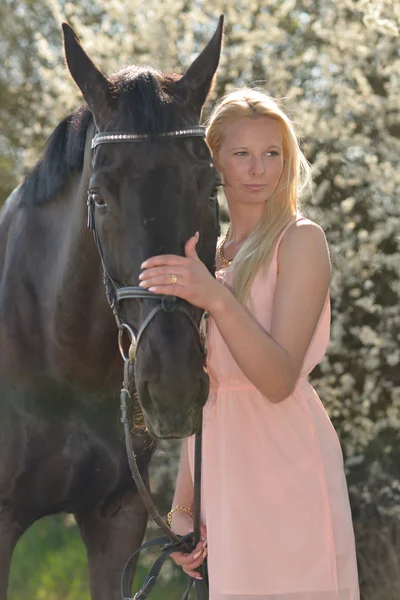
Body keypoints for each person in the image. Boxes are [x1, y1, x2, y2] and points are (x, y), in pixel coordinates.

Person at [139, 88, 360, 600]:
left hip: (288, 463)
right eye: (241, 153)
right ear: (213, 158)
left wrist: (214, 297)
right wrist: (184, 509)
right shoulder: (208, 256)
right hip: (224, 473)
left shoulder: (300, 240)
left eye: (272, 153)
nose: (259, 169)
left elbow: (277, 380)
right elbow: (208, 390)